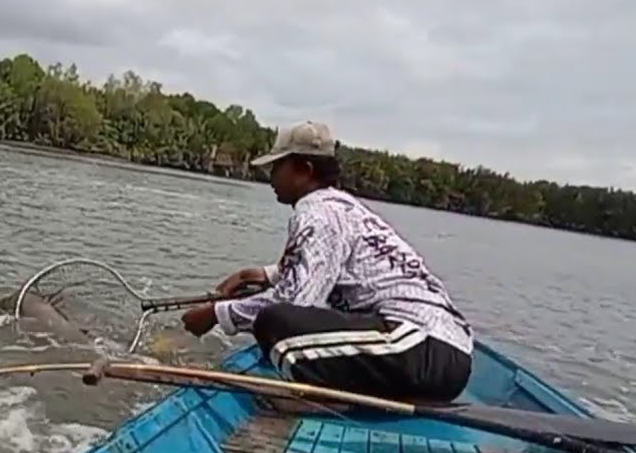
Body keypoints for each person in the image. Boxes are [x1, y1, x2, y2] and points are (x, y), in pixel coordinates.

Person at [180, 121, 473, 402]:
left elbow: (297, 301)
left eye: (276, 167)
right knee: (287, 312)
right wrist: (257, 276)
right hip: (449, 351)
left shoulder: (315, 213)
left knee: (275, 319)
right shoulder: (344, 207)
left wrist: (216, 314)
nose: (270, 177)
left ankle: (327, 399)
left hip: (419, 347)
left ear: (304, 170)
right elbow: (328, 268)